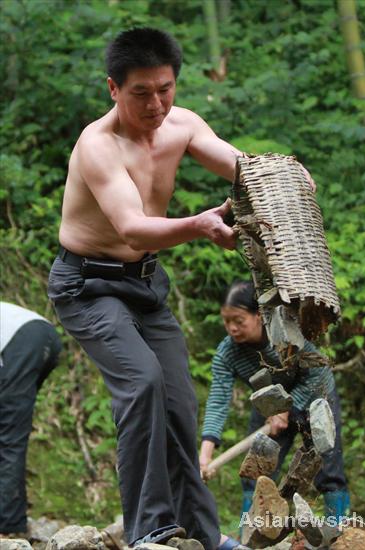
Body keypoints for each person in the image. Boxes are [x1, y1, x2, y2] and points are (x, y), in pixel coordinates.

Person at [47, 27, 314, 550]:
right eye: (141, 92)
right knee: (142, 383)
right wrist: (199, 225)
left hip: (145, 284)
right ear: (113, 89)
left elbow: (241, 167)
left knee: (177, 399)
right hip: (88, 284)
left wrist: (285, 178)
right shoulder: (98, 146)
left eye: (165, 89)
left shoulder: (182, 124)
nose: (156, 104)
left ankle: (202, 533)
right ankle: (150, 528)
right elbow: (132, 228)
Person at [199, 281, 350, 525]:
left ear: (258, 316)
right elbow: (218, 399)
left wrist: (288, 408)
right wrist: (205, 455)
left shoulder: (283, 333)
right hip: (269, 407)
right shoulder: (227, 353)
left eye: (239, 321)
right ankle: (252, 534)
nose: (232, 328)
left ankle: (338, 529)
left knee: (328, 471)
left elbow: (319, 371)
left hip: (316, 397)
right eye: (227, 321)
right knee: (256, 473)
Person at [0, 302, 62, 536]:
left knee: (9, 437)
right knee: (10, 432)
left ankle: (8, 526)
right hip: (42, 335)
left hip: (23, 340)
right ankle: (11, 518)